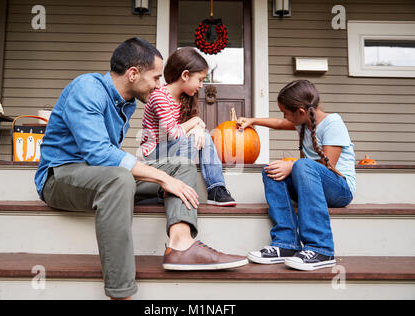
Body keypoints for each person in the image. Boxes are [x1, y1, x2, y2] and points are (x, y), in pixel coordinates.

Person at [34, 38, 248, 300]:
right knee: (120, 180)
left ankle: (181, 244)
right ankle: (121, 293)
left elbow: (109, 160)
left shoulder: (128, 102)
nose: (159, 85)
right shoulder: (87, 88)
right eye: (156, 77)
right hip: (61, 177)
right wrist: (160, 178)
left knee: (179, 166)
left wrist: (165, 175)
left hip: (101, 174)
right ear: (133, 74)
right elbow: (98, 152)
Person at [237, 80, 356, 271]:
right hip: (311, 183)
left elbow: (329, 165)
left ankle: (321, 248)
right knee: (271, 171)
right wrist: (253, 121)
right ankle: (286, 244)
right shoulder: (303, 123)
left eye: (286, 112)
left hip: (340, 189)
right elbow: (278, 123)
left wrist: (292, 166)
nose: (284, 117)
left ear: (300, 111)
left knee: (301, 165)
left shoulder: (333, 123)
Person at [140, 47, 236, 206]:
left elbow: (182, 132)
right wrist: (195, 122)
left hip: (172, 148)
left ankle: (216, 188)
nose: (201, 85)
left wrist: (197, 128)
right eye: (200, 79)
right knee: (198, 137)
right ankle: (177, 187)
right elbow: (172, 133)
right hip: (154, 153)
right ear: (185, 75)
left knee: (203, 135)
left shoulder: (184, 98)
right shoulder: (159, 97)